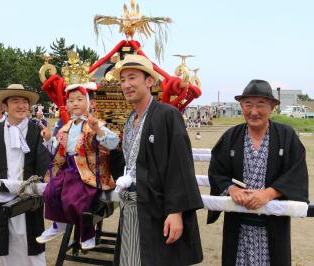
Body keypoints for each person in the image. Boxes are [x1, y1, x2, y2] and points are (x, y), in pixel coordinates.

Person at [112, 54, 203, 266]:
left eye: (132, 78)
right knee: (130, 258)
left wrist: (176, 211)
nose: (126, 85)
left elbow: (179, 166)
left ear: (149, 81)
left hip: (159, 209)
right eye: (122, 80)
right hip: (132, 207)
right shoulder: (130, 120)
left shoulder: (167, 115)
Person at [207, 79, 309, 266]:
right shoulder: (231, 136)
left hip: (273, 224)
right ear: (241, 106)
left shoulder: (286, 136)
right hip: (238, 225)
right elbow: (216, 171)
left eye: (260, 104)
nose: (254, 111)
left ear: (272, 107)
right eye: (248, 104)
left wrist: (269, 194)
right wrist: (231, 189)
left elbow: (297, 173)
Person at [0, 84, 50, 266]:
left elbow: (47, 163)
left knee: (32, 243)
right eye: (16, 101)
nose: (22, 105)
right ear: (5, 107)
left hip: (29, 198)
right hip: (2, 197)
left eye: (25, 102)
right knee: (2, 244)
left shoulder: (37, 131)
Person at [40, 82, 119, 249]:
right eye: (70, 100)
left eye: (79, 99)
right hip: (68, 168)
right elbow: (58, 149)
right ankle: (58, 224)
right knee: (49, 192)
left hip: (89, 171)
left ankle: (87, 234)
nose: (74, 103)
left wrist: (98, 129)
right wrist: (48, 139)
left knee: (75, 199)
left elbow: (113, 143)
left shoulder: (97, 124)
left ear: (90, 103)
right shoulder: (65, 127)